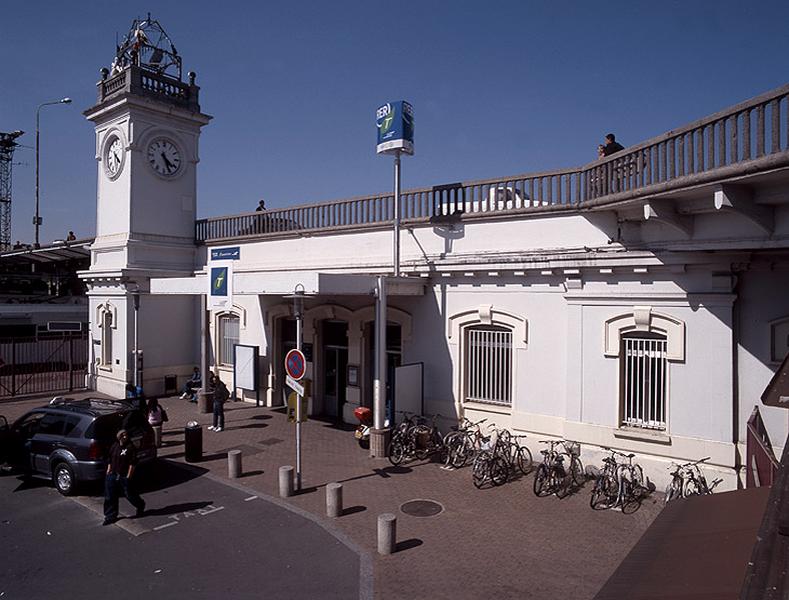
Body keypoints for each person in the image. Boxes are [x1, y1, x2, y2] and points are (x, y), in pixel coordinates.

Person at [102, 429, 145, 526]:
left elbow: (132, 463)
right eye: (123, 435)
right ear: (119, 436)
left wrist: (128, 476)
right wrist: (109, 470)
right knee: (110, 496)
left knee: (129, 494)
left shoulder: (130, 447)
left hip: (124, 475)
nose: (125, 437)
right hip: (112, 474)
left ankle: (140, 505)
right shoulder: (115, 446)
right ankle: (110, 516)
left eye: (126, 435)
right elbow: (110, 458)